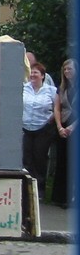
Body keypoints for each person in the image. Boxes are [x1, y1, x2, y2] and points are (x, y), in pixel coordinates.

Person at [22, 62, 57, 197]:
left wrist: (51, 118)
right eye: (31, 72)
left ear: (42, 76)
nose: (32, 75)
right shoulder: (24, 88)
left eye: (36, 72)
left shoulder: (51, 90)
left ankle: (40, 189)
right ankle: (27, 188)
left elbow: (57, 107)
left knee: (40, 158)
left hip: (43, 128)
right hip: (26, 128)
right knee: (27, 159)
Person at [52, 58, 76, 208]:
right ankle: (61, 197)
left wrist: (72, 127)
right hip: (64, 125)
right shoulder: (61, 88)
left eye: (70, 69)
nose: (67, 72)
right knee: (62, 161)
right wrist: (60, 126)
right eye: (65, 69)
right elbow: (57, 108)